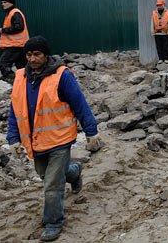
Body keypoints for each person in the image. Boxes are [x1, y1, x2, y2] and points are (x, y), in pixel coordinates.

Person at [6, 36, 103, 241]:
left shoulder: (62, 76)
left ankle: (54, 221)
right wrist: (13, 137)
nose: (32, 59)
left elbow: (80, 104)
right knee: (46, 175)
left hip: (59, 139)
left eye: (37, 54)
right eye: (29, 55)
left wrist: (91, 132)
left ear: (46, 55)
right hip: (36, 141)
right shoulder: (21, 76)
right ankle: (74, 172)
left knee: (52, 184)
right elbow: (15, 110)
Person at [0, 0, 29, 81]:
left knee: (3, 63)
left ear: (11, 3)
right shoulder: (11, 13)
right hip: (20, 44)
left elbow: (19, 27)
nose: (2, 4)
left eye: (5, 2)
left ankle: (12, 81)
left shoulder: (14, 13)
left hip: (15, 45)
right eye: (2, 3)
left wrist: (3, 30)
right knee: (22, 66)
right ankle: (26, 81)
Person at [151, 0, 168, 64]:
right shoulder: (154, 13)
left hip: (165, 33)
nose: (159, 6)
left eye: (160, 5)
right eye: (158, 5)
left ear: (163, 5)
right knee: (159, 47)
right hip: (157, 33)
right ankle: (160, 59)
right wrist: (152, 31)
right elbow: (152, 22)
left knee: (165, 46)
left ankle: (166, 59)